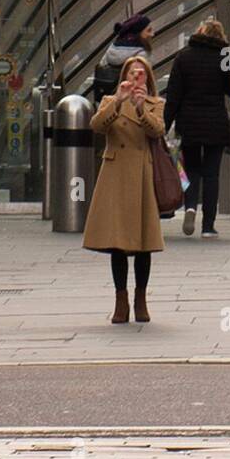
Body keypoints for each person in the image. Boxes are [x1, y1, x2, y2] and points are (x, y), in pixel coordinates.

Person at [83, 55, 166, 324]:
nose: (136, 77)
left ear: (148, 78)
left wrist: (141, 109)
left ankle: (141, 298)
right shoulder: (110, 101)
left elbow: (158, 132)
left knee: (144, 243)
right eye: (132, 73)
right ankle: (121, 300)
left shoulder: (156, 103)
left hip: (142, 174)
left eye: (141, 73)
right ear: (124, 77)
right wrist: (118, 101)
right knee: (117, 242)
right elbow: (96, 126)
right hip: (115, 175)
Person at [163, 18, 230, 237]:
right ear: (220, 36)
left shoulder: (184, 56)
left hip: (189, 123)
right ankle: (208, 225)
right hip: (215, 123)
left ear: (199, 33)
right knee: (211, 174)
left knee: (192, 171)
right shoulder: (225, 54)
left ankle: (190, 208)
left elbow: (174, 95)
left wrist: (165, 124)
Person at [93, 14, 155, 105]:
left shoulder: (111, 49)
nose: (153, 34)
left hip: (108, 102)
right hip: (133, 104)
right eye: (148, 30)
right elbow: (143, 83)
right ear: (138, 33)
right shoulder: (142, 55)